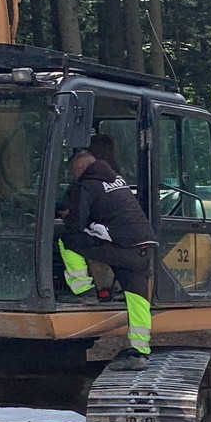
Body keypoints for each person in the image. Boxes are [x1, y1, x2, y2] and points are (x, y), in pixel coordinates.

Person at [56, 134, 157, 365]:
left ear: (80, 168)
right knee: (138, 297)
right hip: (143, 246)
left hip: (120, 246)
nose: (74, 176)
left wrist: (66, 215)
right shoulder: (116, 180)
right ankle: (140, 350)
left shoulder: (86, 185)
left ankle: (84, 290)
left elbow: (75, 225)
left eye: (74, 172)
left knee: (67, 239)